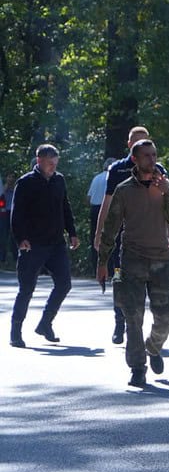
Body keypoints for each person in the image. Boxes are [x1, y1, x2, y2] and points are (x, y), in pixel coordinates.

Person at [97, 139, 169, 388]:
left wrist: (167, 192)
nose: (152, 160)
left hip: (161, 259)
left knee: (166, 314)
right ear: (134, 159)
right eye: (146, 155)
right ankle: (137, 368)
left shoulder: (165, 185)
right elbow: (110, 228)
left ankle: (153, 347)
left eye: (154, 155)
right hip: (133, 259)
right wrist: (102, 262)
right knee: (133, 316)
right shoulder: (124, 190)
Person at [9, 145, 79, 348]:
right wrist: (20, 238)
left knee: (64, 284)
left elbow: (65, 207)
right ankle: (15, 331)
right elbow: (17, 213)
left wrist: (72, 232)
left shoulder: (59, 180)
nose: (53, 167)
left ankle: (45, 323)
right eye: (50, 163)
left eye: (55, 164)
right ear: (39, 160)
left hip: (56, 243)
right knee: (27, 289)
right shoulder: (26, 182)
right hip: (33, 244)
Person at [94, 126, 158, 344]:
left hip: (148, 238)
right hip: (122, 238)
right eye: (137, 142)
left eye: (145, 142)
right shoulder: (118, 169)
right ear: (130, 145)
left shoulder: (157, 169)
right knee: (119, 279)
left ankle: (139, 325)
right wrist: (100, 234)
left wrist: (168, 233)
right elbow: (108, 201)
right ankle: (119, 321)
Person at [87, 158, 115, 271]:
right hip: (109, 209)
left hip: (94, 209)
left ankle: (96, 268)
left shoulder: (96, 178)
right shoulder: (113, 177)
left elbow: (88, 198)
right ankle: (112, 269)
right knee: (112, 239)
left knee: (95, 238)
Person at [0, 172, 16, 264]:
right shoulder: (3, 188)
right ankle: (2, 257)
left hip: (13, 212)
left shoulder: (16, 187)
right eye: (9, 176)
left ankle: (15, 257)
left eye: (12, 177)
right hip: (4, 212)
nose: (11, 179)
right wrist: (6, 186)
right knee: (3, 235)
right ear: (6, 178)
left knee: (14, 235)